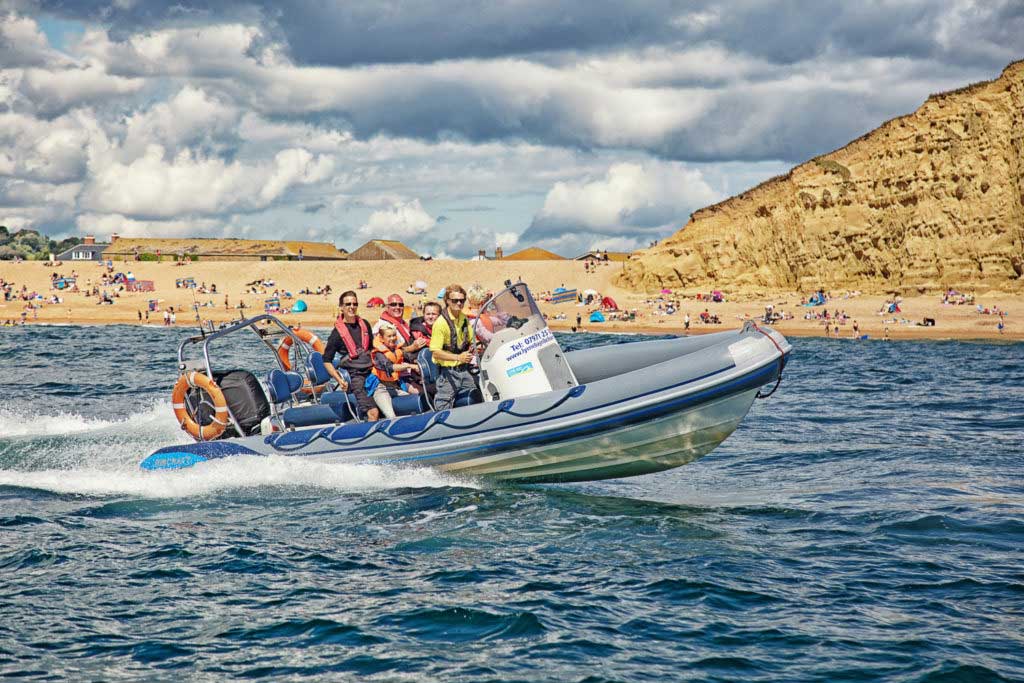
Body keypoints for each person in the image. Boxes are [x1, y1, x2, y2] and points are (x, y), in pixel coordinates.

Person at [322, 291, 380, 421]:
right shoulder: (337, 333)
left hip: (372, 372)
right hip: (355, 377)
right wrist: (339, 380)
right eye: (348, 304)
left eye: (354, 304)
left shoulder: (364, 324)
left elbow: (370, 349)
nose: (351, 307)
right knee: (373, 412)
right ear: (341, 307)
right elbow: (326, 360)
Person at [429, 284, 480, 411]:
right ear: (447, 301)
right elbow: (435, 353)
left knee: (481, 390)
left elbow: (471, 339)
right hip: (448, 373)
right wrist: (458, 357)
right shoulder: (440, 323)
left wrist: (475, 347)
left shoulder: (463, 318)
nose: (459, 303)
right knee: (443, 407)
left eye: (462, 300)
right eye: (455, 300)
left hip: (464, 370)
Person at [370, 322, 420, 418]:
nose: (392, 338)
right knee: (391, 416)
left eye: (394, 335)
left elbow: (408, 355)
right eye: (389, 336)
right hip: (381, 389)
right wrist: (410, 366)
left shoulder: (396, 350)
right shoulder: (379, 354)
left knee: (413, 404)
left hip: (395, 387)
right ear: (381, 338)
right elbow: (390, 367)